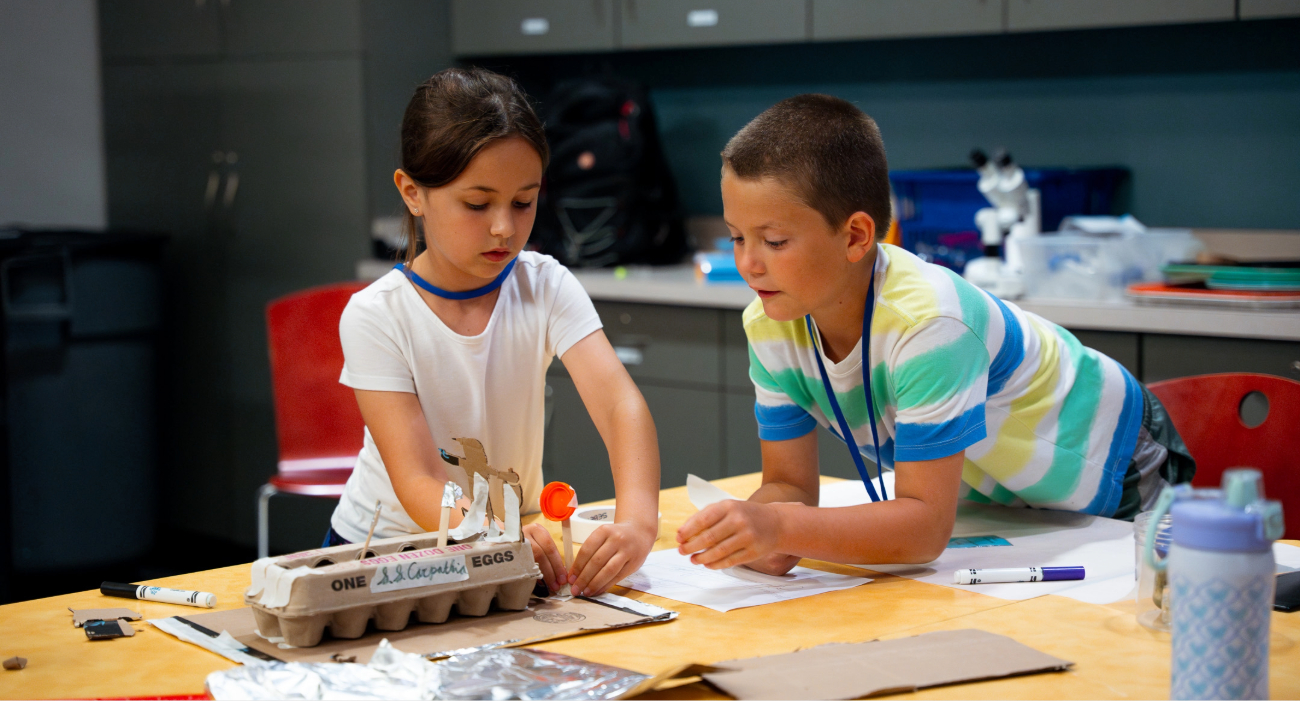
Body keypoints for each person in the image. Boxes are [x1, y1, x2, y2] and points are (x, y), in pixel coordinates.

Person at [678, 94, 1194, 574]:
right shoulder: (769, 325)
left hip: (1116, 459)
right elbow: (787, 487)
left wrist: (781, 527)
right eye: (736, 237)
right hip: (1012, 498)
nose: (748, 264)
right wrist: (756, 535)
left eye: (773, 241)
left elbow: (923, 530)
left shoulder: (929, 324)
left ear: (855, 236)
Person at [327, 67, 661, 597]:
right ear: (413, 193)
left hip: (502, 546)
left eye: (523, 202)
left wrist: (639, 522)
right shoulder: (376, 315)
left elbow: (620, 405)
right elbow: (419, 479)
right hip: (389, 551)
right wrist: (498, 535)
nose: (504, 227)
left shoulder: (545, 284)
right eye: (478, 204)